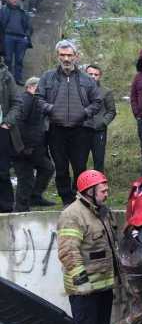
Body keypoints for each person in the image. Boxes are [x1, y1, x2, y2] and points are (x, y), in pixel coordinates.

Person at [57, 169, 117, 324]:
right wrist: (83, 285)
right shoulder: (72, 215)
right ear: (89, 191)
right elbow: (68, 253)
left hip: (103, 285)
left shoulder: (102, 212)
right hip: (85, 291)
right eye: (103, 191)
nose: (106, 194)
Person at [36, 39, 102, 205]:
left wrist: (84, 113)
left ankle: (79, 198)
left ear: (76, 57)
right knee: (61, 167)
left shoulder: (87, 79)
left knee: (80, 167)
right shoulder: (47, 77)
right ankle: (66, 198)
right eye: (62, 55)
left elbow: (97, 101)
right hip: (56, 129)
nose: (66, 59)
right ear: (58, 56)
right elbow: (38, 98)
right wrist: (51, 109)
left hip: (80, 130)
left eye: (69, 55)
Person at [13, 77, 55, 211]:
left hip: (34, 148)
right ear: (31, 87)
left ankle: (34, 197)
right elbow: (19, 123)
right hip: (24, 148)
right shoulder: (26, 100)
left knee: (47, 168)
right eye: (40, 86)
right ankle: (21, 208)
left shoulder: (35, 100)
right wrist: (24, 146)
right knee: (26, 178)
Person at [0, 57, 21, 213]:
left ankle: (6, 208)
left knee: (2, 171)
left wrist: (7, 122)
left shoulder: (5, 75)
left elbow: (17, 102)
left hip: (2, 130)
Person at [85, 65, 116, 173]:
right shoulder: (79, 90)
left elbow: (112, 111)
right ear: (85, 74)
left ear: (100, 76)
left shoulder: (106, 91)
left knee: (98, 160)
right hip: (82, 130)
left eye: (96, 74)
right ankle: (79, 185)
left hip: (99, 131)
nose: (93, 76)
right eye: (90, 74)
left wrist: (103, 123)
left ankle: (99, 185)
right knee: (79, 160)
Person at [0, 0, 32, 85]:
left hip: (21, 38)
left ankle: (18, 78)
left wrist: (26, 37)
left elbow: (29, 26)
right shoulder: (3, 11)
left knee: (19, 60)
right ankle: (8, 80)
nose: (14, 0)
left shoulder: (23, 12)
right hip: (7, 37)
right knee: (8, 59)